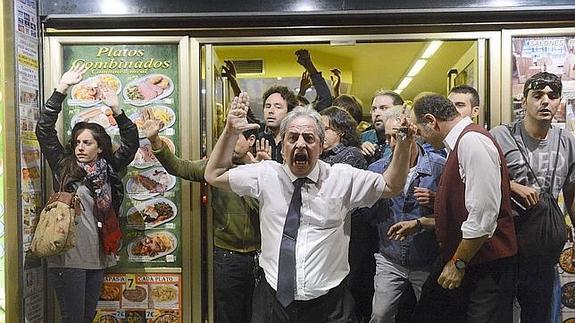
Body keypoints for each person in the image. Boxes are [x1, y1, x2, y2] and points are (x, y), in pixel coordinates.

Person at [204, 92, 416, 323]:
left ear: (320, 145)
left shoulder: (341, 178)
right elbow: (213, 175)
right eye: (292, 137)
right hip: (273, 300)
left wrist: (404, 144)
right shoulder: (265, 175)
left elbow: (391, 185)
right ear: (282, 144)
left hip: (330, 303)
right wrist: (230, 132)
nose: (300, 143)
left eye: (309, 138)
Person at [391, 94, 517, 323]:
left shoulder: (472, 142)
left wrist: (458, 262)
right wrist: (420, 223)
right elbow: (464, 212)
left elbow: (483, 214)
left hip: (484, 266)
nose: (422, 139)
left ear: (431, 121)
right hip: (469, 259)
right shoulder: (458, 144)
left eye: (420, 131)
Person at [35, 64, 139, 323]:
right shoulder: (64, 165)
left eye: (87, 143)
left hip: (97, 256)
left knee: (87, 316)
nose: (80, 147)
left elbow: (132, 143)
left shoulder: (109, 168)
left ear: (100, 147)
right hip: (67, 257)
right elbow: (44, 130)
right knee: (72, 318)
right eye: (77, 142)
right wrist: (61, 89)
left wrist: (117, 110)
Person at [141, 111, 262, 323]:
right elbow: (179, 166)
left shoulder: (262, 170)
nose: (230, 142)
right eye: (228, 136)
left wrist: (259, 169)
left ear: (250, 140)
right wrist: (155, 140)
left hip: (259, 257)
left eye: (237, 136)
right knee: (227, 314)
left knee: (256, 314)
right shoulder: (216, 168)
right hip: (226, 255)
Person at [491, 72, 575, 323]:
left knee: (538, 311)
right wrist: (511, 185)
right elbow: (477, 182)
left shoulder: (568, 142)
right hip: (505, 237)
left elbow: (571, 192)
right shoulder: (501, 136)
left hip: (542, 240)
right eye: (537, 96)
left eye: (552, 96)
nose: (545, 101)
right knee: (498, 310)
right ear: (524, 100)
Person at [366, 106, 445, 323]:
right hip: (390, 258)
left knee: (432, 316)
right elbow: (367, 215)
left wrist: (435, 201)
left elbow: (455, 214)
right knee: (380, 315)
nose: (393, 143)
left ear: (414, 134)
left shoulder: (439, 167)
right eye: (389, 137)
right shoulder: (377, 169)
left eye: (399, 135)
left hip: (426, 259)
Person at [319, 107, 372, 322]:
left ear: (340, 132)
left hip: (351, 235)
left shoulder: (351, 155)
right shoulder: (320, 156)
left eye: (325, 129)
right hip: (329, 237)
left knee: (345, 290)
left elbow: (331, 194)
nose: (320, 135)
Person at [257, 85, 299, 163]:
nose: (271, 111)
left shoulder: (297, 141)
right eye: (268, 106)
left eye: (278, 107)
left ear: (289, 112)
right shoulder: (259, 140)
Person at [361, 90, 404, 164]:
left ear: (398, 111)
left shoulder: (407, 141)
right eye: (374, 109)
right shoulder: (362, 138)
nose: (376, 113)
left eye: (383, 108)